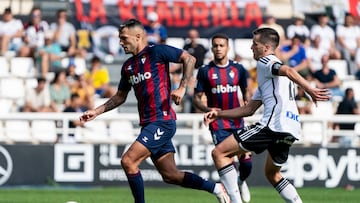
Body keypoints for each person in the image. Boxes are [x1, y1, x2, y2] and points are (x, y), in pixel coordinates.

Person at [79, 19, 229, 203]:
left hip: (162, 121)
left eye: (124, 38)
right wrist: (96, 111)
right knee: (171, 175)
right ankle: (215, 187)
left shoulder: (156, 51)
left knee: (128, 161)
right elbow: (120, 97)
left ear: (138, 36)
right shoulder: (128, 67)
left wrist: (182, 87)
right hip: (148, 124)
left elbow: (189, 59)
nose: (120, 42)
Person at [204, 27, 331, 203]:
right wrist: (219, 114)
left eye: (254, 44)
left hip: (273, 125)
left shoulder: (266, 61)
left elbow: (288, 70)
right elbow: (248, 109)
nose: (251, 48)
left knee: (219, 153)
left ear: (265, 47)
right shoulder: (269, 78)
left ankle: (235, 201)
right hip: (290, 128)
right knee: (273, 174)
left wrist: (309, 89)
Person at [193, 33, 252, 203]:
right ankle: (234, 197)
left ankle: (241, 182)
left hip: (237, 120)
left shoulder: (238, 69)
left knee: (246, 163)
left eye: (221, 45)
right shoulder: (205, 71)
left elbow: (246, 89)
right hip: (218, 123)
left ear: (228, 48)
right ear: (211, 48)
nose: (218, 48)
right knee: (226, 158)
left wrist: (248, 100)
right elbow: (197, 97)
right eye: (215, 46)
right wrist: (207, 109)